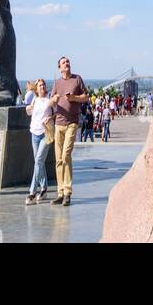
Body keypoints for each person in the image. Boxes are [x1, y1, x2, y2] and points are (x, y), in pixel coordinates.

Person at [49, 57, 88, 205]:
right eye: (64, 63)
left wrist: (74, 98)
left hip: (72, 122)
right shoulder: (57, 83)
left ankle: (68, 191)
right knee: (58, 160)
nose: (67, 64)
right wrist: (54, 99)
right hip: (58, 123)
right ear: (60, 68)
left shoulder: (77, 79)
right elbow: (51, 100)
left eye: (68, 62)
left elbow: (85, 98)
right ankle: (60, 193)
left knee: (66, 155)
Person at [25, 78, 54, 204]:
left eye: (44, 85)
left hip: (45, 133)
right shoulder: (35, 99)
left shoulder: (50, 98)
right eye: (40, 85)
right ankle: (44, 189)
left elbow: (56, 112)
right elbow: (31, 113)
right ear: (36, 89)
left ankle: (32, 192)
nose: (42, 87)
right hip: (34, 133)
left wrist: (50, 117)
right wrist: (28, 109)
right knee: (39, 162)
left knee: (38, 161)